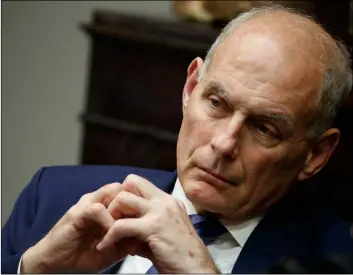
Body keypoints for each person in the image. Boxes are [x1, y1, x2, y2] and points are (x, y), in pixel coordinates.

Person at [2, 5, 353, 274]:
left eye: (265, 128)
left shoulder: (338, 259)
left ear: (316, 154)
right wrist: (33, 270)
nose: (224, 144)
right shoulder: (51, 198)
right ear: (191, 87)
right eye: (217, 103)